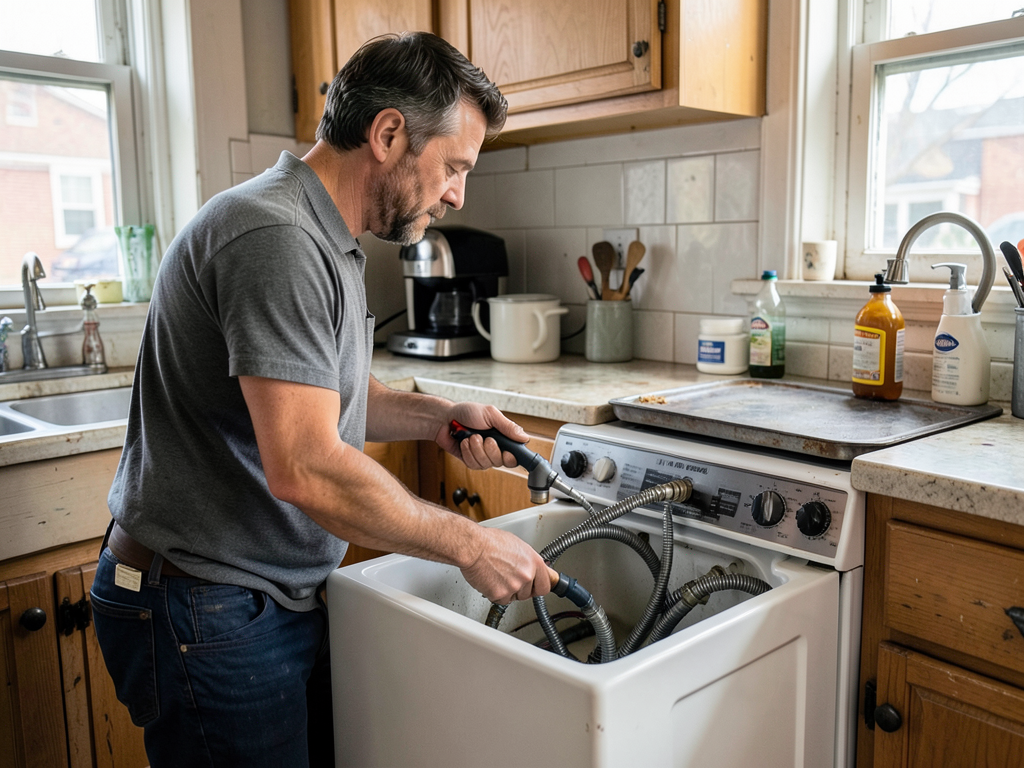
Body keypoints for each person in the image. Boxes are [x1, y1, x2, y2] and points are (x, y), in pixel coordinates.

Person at [89, 32, 553, 768]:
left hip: (259, 600)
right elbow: (305, 463)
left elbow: (330, 395)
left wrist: (440, 420)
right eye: (455, 166)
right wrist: (471, 542)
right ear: (389, 132)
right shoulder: (274, 235)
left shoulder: (324, 236)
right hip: (205, 606)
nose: (459, 193)